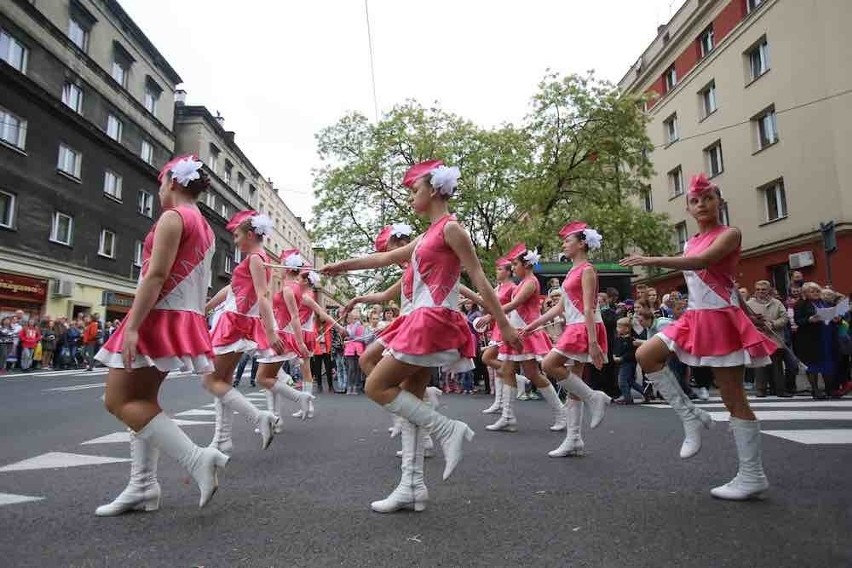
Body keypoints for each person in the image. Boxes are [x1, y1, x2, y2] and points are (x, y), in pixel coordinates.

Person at [322, 160, 520, 513]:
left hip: (432, 318)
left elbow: (477, 276)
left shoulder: (452, 229)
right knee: (410, 399)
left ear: (432, 190)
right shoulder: (426, 235)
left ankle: (446, 429)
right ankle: (411, 485)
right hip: (415, 319)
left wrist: (502, 323)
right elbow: (383, 258)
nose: (411, 196)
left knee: (375, 385)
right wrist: (341, 266)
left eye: (415, 190)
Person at [621, 173, 776, 500]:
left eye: (708, 198)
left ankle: (752, 475)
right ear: (689, 209)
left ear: (719, 202)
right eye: (695, 200)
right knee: (645, 354)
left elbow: (706, 264)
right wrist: (750, 312)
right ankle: (690, 417)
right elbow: (725, 281)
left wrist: (651, 260)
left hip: (720, 320)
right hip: (694, 317)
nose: (702, 204)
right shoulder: (690, 241)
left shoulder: (730, 234)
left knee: (733, 396)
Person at [94, 155, 228, 516]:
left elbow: (155, 276)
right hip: (180, 316)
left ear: (170, 181)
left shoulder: (173, 218)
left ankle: (197, 460)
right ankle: (143, 486)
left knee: (119, 401)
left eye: (160, 182)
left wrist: (133, 326)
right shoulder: (205, 226)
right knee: (143, 403)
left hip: (158, 315)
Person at [525, 222, 611, 458]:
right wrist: (533, 325)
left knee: (549, 364)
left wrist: (593, 342)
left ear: (581, 243)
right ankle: (574, 439)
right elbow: (560, 308)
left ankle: (594, 398)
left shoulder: (587, 270)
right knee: (574, 384)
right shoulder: (572, 271)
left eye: (567, 241)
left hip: (584, 327)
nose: (563, 244)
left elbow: (588, 306)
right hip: (576, 326)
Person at [205, 209, 282, 454]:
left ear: (250, 234)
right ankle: (222, 438)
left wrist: (270, 331)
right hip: (237, 321)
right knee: (223, 381)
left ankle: (259, 417)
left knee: (209, 380)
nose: (235, 240)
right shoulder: (256, 259)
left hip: (234, 323)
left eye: (237, 235)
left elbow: (263, 294)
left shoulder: (256, 259)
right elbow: (231, 289)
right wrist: (206, 307)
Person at [478, 243, 562, 433]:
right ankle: (508, 416)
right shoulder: (524, 282)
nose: (513, 267)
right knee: (509, 370)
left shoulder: (531, 282)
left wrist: (491, 316)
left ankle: (561, 413)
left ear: (527, 265)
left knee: (533, 374)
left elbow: (515, 303)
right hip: (517, 330)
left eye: (515, 264)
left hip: (526, 331)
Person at [254, 249, 315, 431]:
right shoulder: (293, 287)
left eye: (281, 264)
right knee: (271, 378)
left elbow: (295, 317)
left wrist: (300, 343)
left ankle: (297, 399)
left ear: (287, 268)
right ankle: (276, 420)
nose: (278, 269)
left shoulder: (289, 289)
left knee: (263, 378)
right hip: (282, 334)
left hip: (282, 336)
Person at [794, 282, 840, 399]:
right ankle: (815, 390)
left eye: (817, 291)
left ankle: (830, 389)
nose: (815, 293)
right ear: (805, 293)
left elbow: (833, 316)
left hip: (827, 336)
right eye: (812, 291)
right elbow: (798, 320)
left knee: (828, 363)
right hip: (811, 339)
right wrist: (810, 319)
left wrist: (836, 319)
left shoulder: (825, 303)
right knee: (813, 364)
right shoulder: (801, 304)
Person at [746, 280, 792, 397]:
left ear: (769, 290)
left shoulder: (777, 303)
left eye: (763, 289)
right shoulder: (749, 304)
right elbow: (745, 319)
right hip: (759, 338)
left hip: (775, 337)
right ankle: (761, 389)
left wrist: (773, 324)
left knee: (777, 365)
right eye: (758, 289)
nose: (760, 292)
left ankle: (780, 390)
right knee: (760, 365)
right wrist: (757, 326)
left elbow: (784, 317)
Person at [612, 317, 643, 404]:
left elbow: (631, 353)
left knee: (622, 381)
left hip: (628, 363)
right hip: (621, 362)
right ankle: (644, 392)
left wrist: (622, 358)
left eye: (619, 327)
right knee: (629, 380)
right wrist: (614, 355)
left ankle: (627, 397)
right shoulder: (619, 338)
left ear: (626, 329)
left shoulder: (631, 340)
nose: (616, 329)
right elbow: (616, 348)